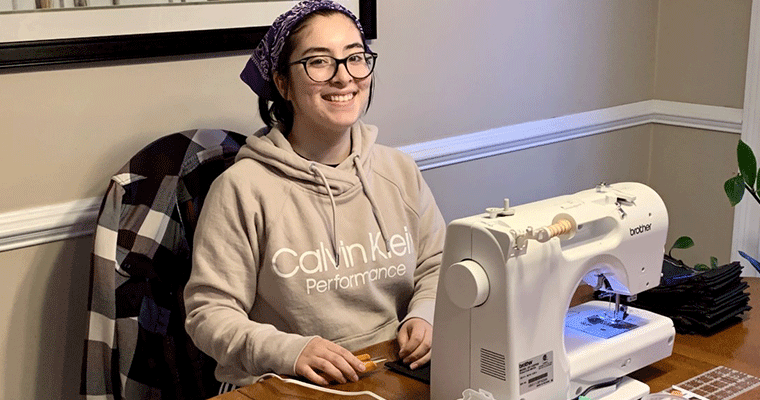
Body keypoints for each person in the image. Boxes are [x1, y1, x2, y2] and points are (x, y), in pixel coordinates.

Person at [183, 0, 446, 389]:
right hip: (285, 381)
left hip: (391, 369)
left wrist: (425, 314)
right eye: (319, 61)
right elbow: (209, 313)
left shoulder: (399, 171)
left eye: (355, 57)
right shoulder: (242, 189)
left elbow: (438, 264)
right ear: (282, 83)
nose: (344, 78)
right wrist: (290, 351)